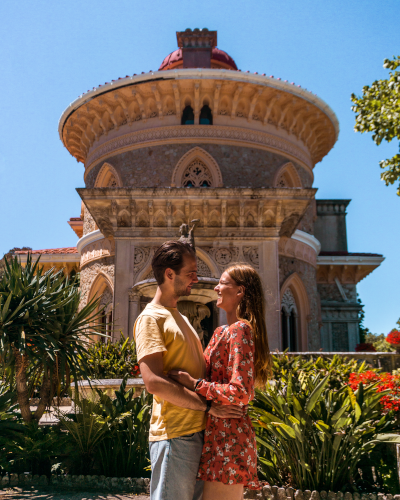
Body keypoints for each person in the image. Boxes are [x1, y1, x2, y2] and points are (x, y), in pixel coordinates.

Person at [134, 242, 246, 500]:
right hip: (175, 435)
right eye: (191, 272)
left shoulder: (179, 317)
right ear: (169, 274)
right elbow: (153, 382)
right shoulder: (151, 318)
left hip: (198, 432)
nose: (197, 278)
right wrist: (208, 407)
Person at [169, 263, 271, 500]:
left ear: (240, 292)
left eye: (223, 283)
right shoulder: (221, 331)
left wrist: (194, 383)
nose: (216, 287)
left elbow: (241, 391)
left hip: (230, 439)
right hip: (216, 435)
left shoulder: (241, 330)